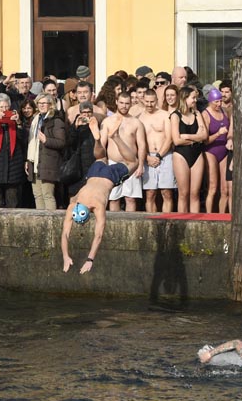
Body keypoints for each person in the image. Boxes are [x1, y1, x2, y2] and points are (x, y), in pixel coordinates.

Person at [60, 120, 140, 274]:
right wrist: (64, 255)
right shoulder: (74, 203)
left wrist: (90, 259)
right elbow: (64, 235)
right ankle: (97, 140)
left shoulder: (98, 206)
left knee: (133, 162)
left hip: (109, 178)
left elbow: (98, 235)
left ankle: (115, 137)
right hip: (93, 174)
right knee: (100, 158)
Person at [101, 92, 146, 212]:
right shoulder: (107, 121)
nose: (124, 106)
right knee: (114, 198)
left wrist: (140, 165)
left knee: (130, 199)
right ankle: (113, 230)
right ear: (116, 102)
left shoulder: (136, 122)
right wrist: (102, 164)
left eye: (127, 103)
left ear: (131, 104)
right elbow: (102, 145)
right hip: (112, 164)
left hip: (131, 165)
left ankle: (131, 230)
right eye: (121, 103)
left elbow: (142, 145)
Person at [170, 85, 208, 213]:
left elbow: (204, 136)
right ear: (185, 98)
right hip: (181, 155)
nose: (195, 101)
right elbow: (176, 140)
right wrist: (196, 138)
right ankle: (182, 222)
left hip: (197, 154)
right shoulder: (175, 116)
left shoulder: (197, 114)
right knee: (183, 193)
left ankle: (195, 223)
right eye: (193, 98)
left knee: (195, 193)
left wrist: (188, 136)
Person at [139, 88, 176, 213]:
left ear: (157, 101)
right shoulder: (139, 118)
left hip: (165, 155)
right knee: (150, 193)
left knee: (167, 192)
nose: (149, 104)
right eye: (147, 102)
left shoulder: (165, 115)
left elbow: (169, 138)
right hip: (147, 157)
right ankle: (151, 223)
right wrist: (147, 157)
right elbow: (138, 142)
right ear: (143, 101)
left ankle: (167, 223)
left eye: (152, 102)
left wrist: (159, 156)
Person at [202, 89, 232, 214]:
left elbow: (231, 129)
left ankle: (222, 216)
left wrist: (229, 138)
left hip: (224, 150)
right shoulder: (205, 114)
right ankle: (209, 215)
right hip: (211, 151)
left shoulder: (225, 111)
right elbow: (205, 140)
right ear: (210, 102)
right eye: (216, 102)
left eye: (220, 101)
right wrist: (218, 133)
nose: (219, 104)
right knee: (213, 187)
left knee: (225, 189)